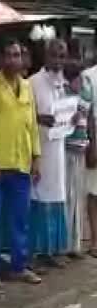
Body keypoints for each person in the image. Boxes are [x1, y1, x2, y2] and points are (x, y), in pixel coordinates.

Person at [0, 38, 42, 288]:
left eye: (17, 55)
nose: (13, 60)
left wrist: (36, 158)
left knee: (20, 218)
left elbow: (32, 126)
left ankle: (19, 266)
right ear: (0, 58)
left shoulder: (26, 87)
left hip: (22, 162)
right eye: (9, 55)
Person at [28, 39, 70, 270]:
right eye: (54, 56)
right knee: (39, 196)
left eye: (62, 56)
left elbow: (67, 112)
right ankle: (37, 252)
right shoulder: (32, 82)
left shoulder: (63, 83)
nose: (58, 61)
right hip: (40, 150)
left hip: (58, 148)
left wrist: (72, 118)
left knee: (56, 196)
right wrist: (39, 119)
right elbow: (24, 115)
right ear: (45, 56)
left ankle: (52, 249)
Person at [63, 57, 92, 258]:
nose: (80, 82)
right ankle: (66, 244)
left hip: (80, 149)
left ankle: (75, 243)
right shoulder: (65, 97)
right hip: (67, 149)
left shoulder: (84, 94)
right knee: (67, 197)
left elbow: (89, 118)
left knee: (77, 198)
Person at [82, 54, 97, 257]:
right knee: (94, 192)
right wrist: (93, 143)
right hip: (95, 136)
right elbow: (87, 111)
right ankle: (95, 240)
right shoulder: (89, 76)